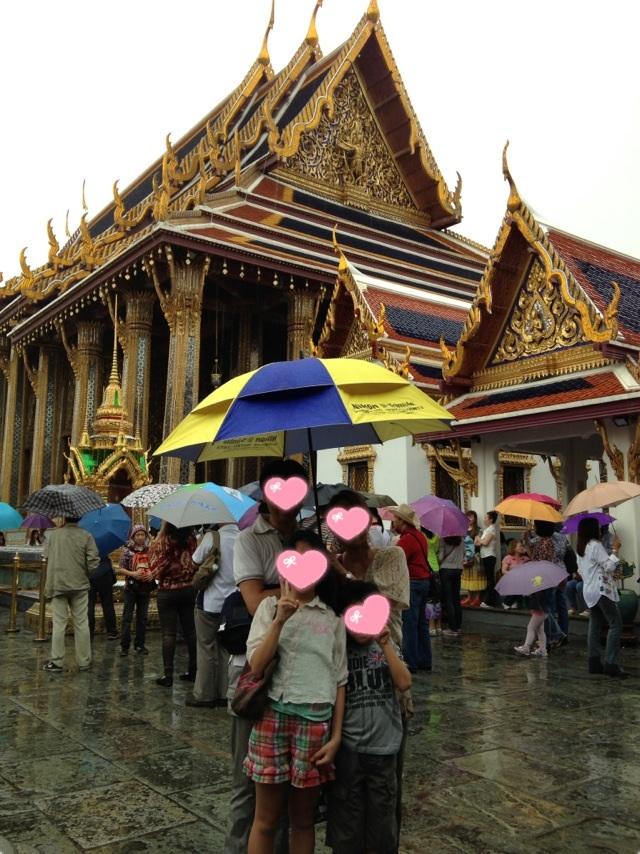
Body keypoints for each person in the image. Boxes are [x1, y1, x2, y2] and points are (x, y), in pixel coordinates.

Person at [225, 457, 309, 854]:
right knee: (248, 780)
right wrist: (303, 586)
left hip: (300, 670)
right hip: (257, 669)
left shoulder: (309, 537)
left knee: (290, 780)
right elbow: (253, 599)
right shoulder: (250, 539)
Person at [244, 533, 347, 854]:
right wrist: (279, 620)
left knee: (303, 821)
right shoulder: (268, 608)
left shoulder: (332, 619)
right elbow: (256, 666)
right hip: (271, 718)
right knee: (265, 820)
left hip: (314, 725)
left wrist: (336, 737)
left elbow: (340, 680)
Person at [326, 582, 412, 854]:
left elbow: (404, 682)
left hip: (384, 750)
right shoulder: (339, 650)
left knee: (382, 823)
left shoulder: (385, 646)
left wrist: (385, 644)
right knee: (347, 824)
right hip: (349, 750)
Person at [187, 522, 238, 708]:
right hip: (233, 604)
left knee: (206, 648)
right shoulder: (244, 538)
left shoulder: (212, 537)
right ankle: (225, 693)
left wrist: (201, 542)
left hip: (210, 602)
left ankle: (204, 694)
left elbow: (194, 562)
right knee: (226, 649)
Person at [42, 517, 100, 672]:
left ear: (64, 517)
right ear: (79, 518)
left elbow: (46, 556)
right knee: (81, 623)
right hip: (79, 585)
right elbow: (94, 561)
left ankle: (57, 662)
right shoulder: (86, 535)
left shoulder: (53, 535)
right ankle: (84, 661)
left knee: (59, 624)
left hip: (58, 584)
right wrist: (84, 573)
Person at [148, 522, 197, 687]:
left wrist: (159, 536)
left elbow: (156, 569)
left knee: (168, 634)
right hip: (188, 589)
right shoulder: (191, 540)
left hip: (168, 591)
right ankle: (193, 670)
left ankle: (168, 675)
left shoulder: (164, 542)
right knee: (191, 632)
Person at [576, 517, 626, 678]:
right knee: (615, 624)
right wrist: (615, 550)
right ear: (592, 529)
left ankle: (594, 662)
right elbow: (609, 566)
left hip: (588, 590)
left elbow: (581, 571)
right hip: (601, 590)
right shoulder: (595, 545)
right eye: (597, 527)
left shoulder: (581, 547)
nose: (599, 529)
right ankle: (611, 663)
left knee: (595, 624)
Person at [385, 504, 428, 673]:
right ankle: (425, 659)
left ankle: (411, 661)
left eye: (395, 520)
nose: (393, 523)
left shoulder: (407, 540)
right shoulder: (420, 536)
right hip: (424, 581)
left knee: (409, 623)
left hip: (413, 582)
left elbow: (395, 561)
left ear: (402, 521)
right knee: (421, 623)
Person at [119, 525, 154, 656]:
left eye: (142, 534)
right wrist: (133, 574)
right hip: (131, 588)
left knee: (142, 617)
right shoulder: (127, 551)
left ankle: (140, 644)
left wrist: (151, 573)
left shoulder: (149, 550)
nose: (140, 537)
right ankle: (125, 646)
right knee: (127, 617)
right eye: (137, 535)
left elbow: (155, 565)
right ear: (133, 537)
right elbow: (121, 568)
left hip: (145, 588)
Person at [87, 554, 118, 640]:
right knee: (108, 604)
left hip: (89, 572)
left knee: (89, 604)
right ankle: (112, 631)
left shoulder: (86, 545)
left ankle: (88, 632)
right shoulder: (104, 546)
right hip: (104, 572)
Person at [439, 535, 465, 636]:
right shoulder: (461, 539)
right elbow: (464, 553)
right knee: (456, 598)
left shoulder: (443, 539)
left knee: (448, 599)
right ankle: (458, 626)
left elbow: (441, 557)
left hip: (446, 569)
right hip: (458, 569)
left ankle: (452, 628)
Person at [513, 588, 549, 659]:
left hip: (540, 610)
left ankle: (526, 648)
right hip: (543, 609)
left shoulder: (539, 588)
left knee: (531, 628)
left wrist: (530, 593)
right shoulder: (542, 587)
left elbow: (538, 598)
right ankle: (543, 650)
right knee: (540, 630)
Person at [476, 511, 499, 608]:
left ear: (491, 519)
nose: (484, 519)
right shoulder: (487, 530)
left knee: (490, 579)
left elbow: (485, 543)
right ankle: (490, 599)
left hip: (489, 556)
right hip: (485, 556)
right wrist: (480, 540)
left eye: (486, 518)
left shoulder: (492, 529)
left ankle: (490, 601)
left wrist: (479, 539)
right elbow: (477, 543)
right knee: (488, 579)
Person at [461, 511, 484, 607]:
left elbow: (478, 543)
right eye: (467, 517)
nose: (469, 519)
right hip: (465, 556)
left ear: (475, 518)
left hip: (475, 556)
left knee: (476, 576)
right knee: (468, 576)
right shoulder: (463, 529)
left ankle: (477, 598)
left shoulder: (478, 530)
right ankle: (469, 597)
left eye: (471, 517)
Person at [500, 539, 529, 610]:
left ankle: (514, 601)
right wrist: (514, 575)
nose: (522, 548)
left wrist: (527, 552)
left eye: (522, 546)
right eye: (520, 546)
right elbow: (503, 571)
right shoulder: (508, 558)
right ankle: (507, 602)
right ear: (514, 548)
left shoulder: (525, 558)